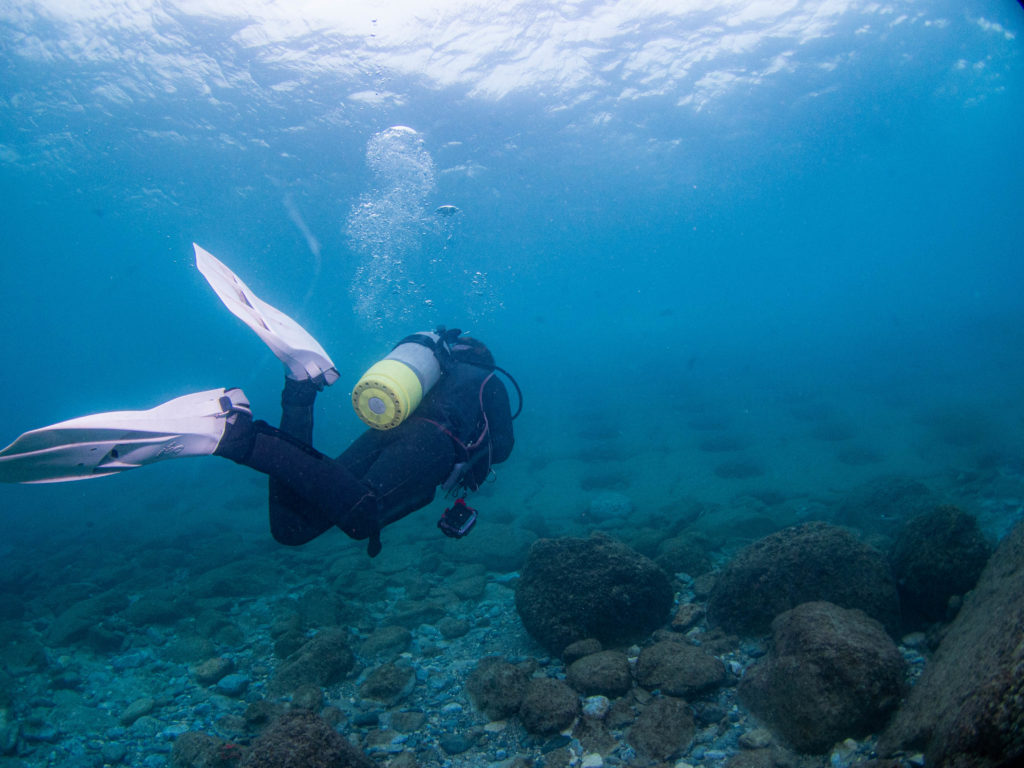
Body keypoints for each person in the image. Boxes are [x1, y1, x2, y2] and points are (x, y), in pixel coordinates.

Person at [0, 245, 518, 557]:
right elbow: (506, 447)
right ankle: (234, 434)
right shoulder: (486, 379)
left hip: (389, 431)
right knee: (362, 518)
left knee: (293, 528)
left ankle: (301, 386)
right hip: (431, 447)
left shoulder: (442, 373)